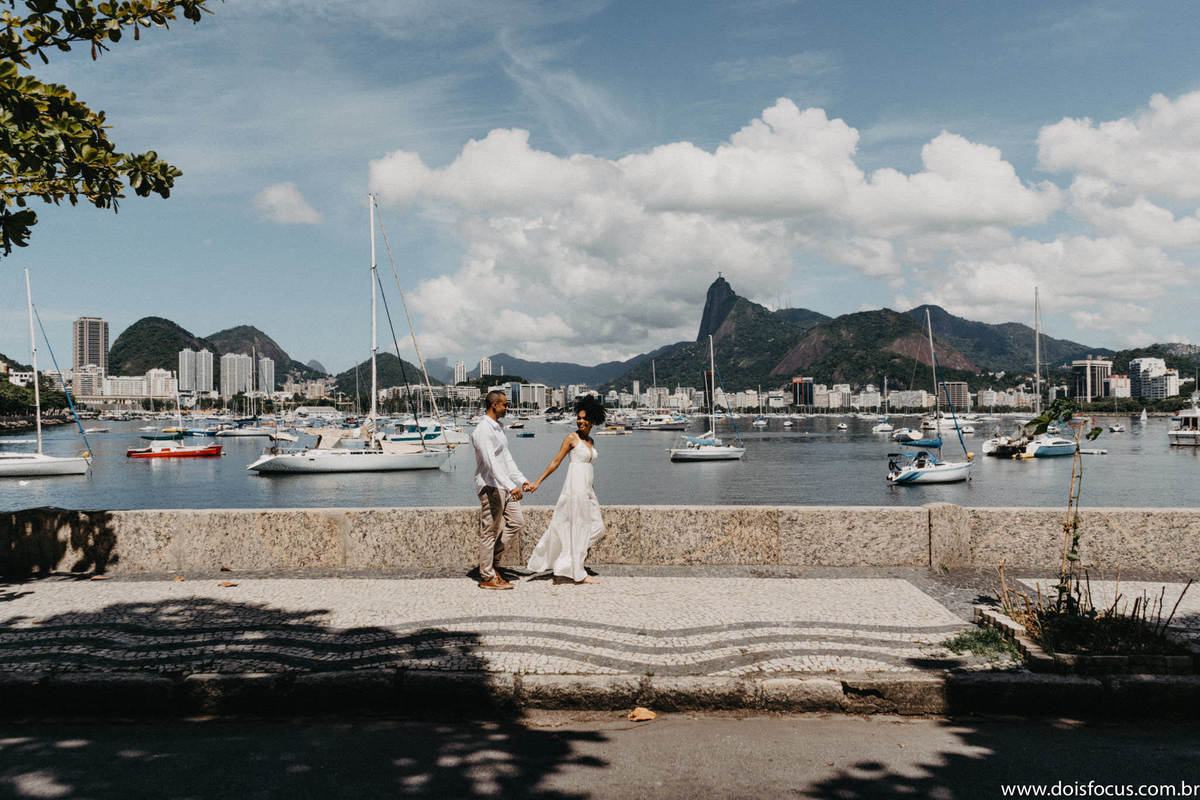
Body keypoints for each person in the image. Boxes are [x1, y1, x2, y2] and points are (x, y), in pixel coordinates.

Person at [525, 395, 606, 584]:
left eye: (585, 418)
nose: (580, 421)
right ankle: (578, 572)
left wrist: (592, 492)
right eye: (579, 418)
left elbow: (589, 468)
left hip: (587, 490)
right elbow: (556, 461)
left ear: (593, 420)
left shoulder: (591, 441)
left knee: (597, 528)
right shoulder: (572, 438)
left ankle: (568, 558)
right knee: (578, 527)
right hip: (574, 488)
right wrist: (538, 482)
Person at [470, 389, 531, 590]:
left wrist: (521, 480)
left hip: (504, 485)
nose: (507, 408)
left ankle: (493, 563)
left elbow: (506, 459)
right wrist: (511, 486)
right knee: (489, 531)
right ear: (494, 405)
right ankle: (487, 576)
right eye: (504, 404)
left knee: (517, 522)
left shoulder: (498, 428)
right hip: (490, 486)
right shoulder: (482, 430)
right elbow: (490, 464)